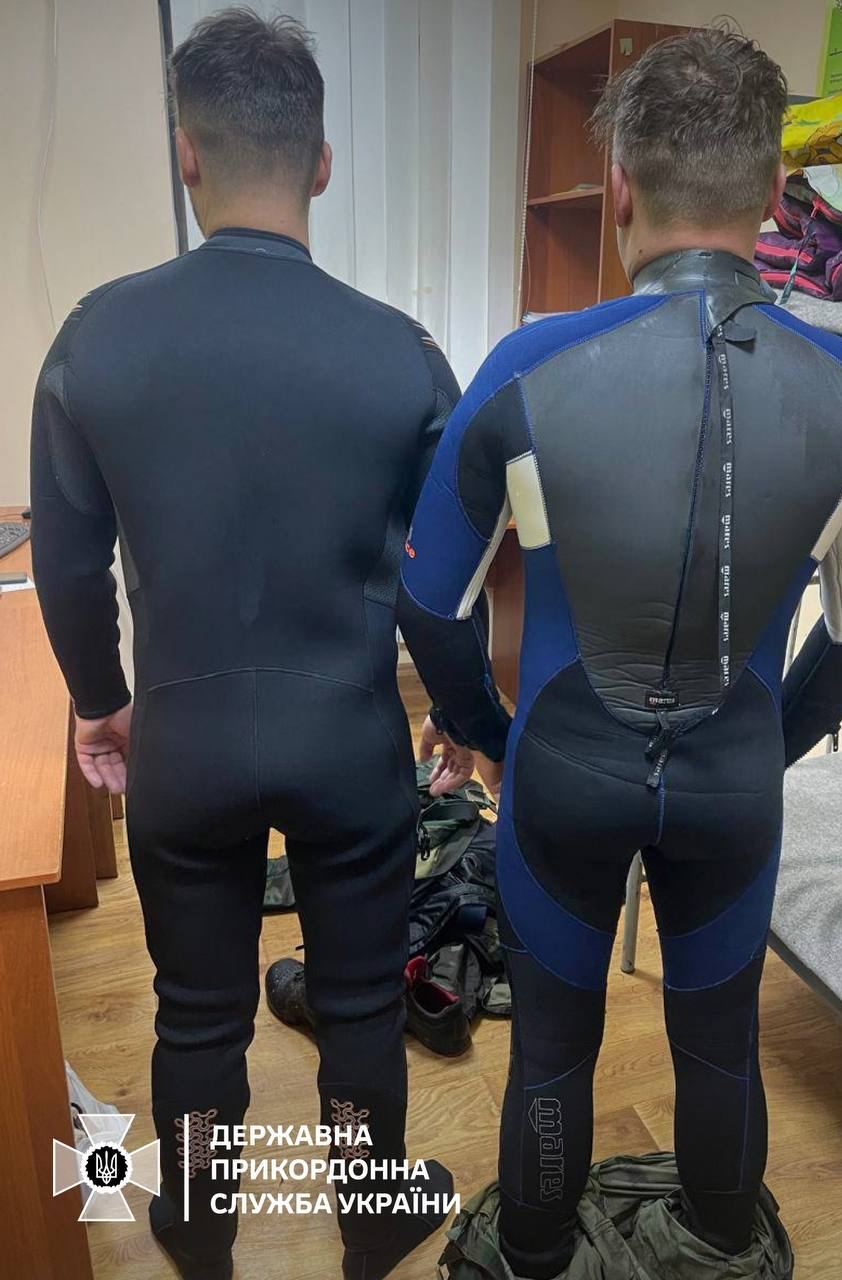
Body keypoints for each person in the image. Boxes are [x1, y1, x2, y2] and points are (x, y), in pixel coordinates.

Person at [397, 28, 842, 1280]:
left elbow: (430, 604)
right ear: (771, 189)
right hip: (735, 772)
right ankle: (724, 1239)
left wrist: (491, 732)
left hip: (564, 765)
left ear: (620, 187)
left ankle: (531, 1249)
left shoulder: (527, 367)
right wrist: (767, 738)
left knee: (551, 1049)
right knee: (720, 1041)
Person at [30, 10, 481, 1279]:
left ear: (187, 153)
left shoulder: (94, 337)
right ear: (322, 163)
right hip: (348, 735)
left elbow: (66, 559)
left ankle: (198, 1229)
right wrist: (455, 710)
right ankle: (372, 1222)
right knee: (359, 1003)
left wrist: (102, 700)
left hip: (183, 737)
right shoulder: (404, 355)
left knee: (197, 1015)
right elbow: (442, 580)